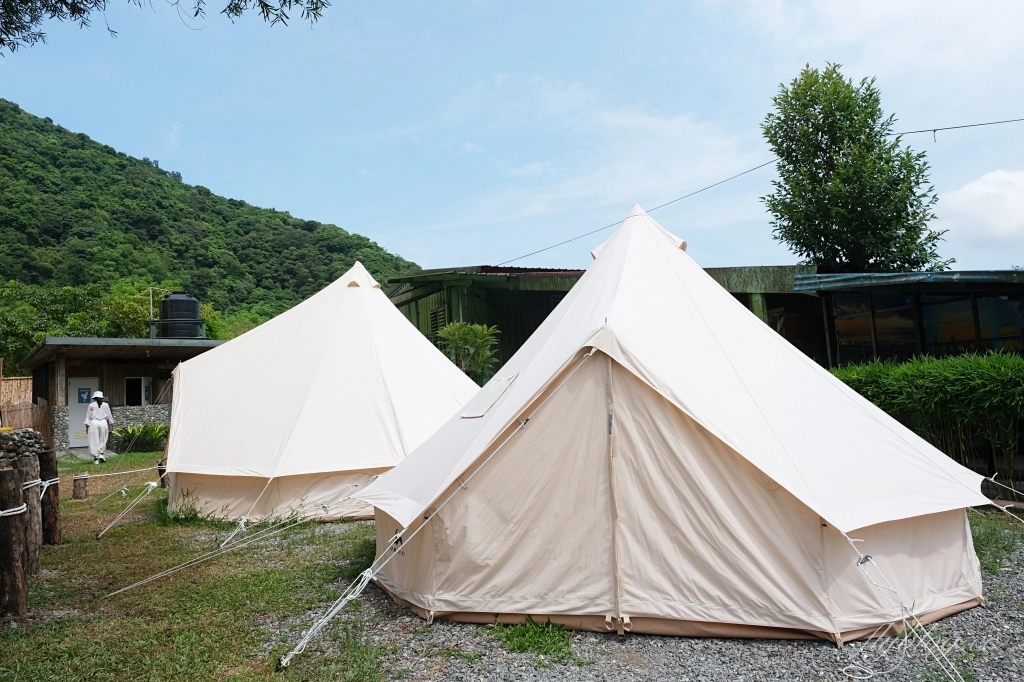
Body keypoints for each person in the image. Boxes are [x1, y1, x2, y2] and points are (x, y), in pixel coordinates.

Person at [85, 391, 114, 463]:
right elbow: (109, 415)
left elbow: (88, 416)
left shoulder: (91, 405)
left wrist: (87, 426)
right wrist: (110, 424)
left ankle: (95, 458)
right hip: (103, 422)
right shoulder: (106, 405)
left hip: (94, 423)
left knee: (94, 440)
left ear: (94, 398)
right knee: (103, 439)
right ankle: (101, 453)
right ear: (102, 398)